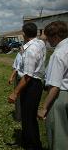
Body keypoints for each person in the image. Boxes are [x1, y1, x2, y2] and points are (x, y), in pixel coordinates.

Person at [8, 22, 46, 150]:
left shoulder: (31, 50)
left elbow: (27, 76)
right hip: (35, 83)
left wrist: (15, 92)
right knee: (27, 115)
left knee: (28, 117)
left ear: (24, 33)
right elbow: (43, 38)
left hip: (31, 84)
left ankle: (33, 145)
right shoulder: (39, 43)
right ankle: (27, 141)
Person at [37, 21, 68, 150]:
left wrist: (44, 108)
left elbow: (55, 86)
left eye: (49, 38)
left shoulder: (58, 54)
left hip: (60, 97)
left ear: (55, 37)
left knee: (58, 134)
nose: (48, 41)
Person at [8, 46, 23, 122]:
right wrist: (11, 77)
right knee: (18, 97)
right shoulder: (19, 55)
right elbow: (16, 67)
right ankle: (18, 116)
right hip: (19, 77)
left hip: (28, 79)